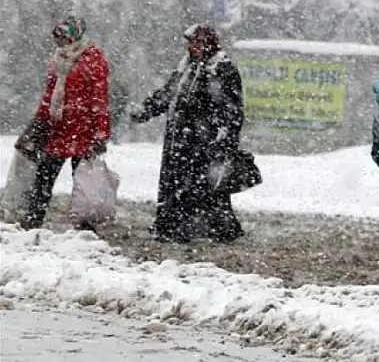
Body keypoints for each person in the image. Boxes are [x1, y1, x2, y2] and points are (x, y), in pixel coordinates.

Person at [129, 24, 245, 243]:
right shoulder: (187, 68)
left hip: (204, 140)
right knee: (175, 182)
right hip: (180, 138)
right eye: (190, 43)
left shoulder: (222, 69)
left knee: (202, 186)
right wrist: (146, 110)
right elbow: (168, 94)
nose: (192, 47)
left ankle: (200, 227)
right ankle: (171, 225)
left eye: (197, 42)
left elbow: (232, 109)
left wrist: (224, 136)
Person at [19, 16, 111, 231]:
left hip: (83, 129)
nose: (60, 41)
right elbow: (50, 94)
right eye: (57, 36)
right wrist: (39, 121)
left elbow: (100, 98)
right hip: (59, 128)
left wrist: (100, 132)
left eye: (64, 36)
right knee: (44, 174)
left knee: (83, 180)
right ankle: (34, 217)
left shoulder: (92, 59)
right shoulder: (59, 59)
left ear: (75, 34)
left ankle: (85, 224)